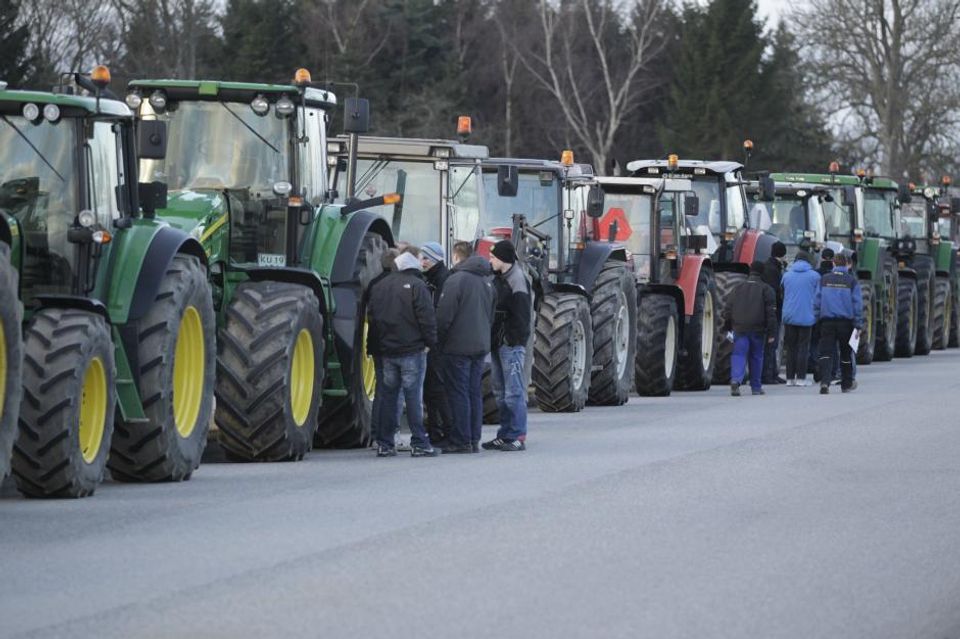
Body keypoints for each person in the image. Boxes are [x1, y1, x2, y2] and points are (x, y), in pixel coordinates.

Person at [367, 251, 439, 457]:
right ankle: (419, 442)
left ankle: (385, 443)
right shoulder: (417, 285)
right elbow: (426, 317)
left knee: (388, 397)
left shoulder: (379, 286)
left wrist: (376, 346)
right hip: (412, 350)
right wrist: (430, 343)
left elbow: (372, 318)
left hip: (387, 351)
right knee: (413, 397)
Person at [436, 242, 495, 454]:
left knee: (458, 393)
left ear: (456, 256)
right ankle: (473, 438)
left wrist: (437, 340)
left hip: (457, 346)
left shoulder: (456, 280)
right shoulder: (487, 281)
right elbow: (491, 314)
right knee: (473, 392)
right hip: (480, 345)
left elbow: (444, 316)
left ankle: (461, 439)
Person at [482, 239, 532, 451]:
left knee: (514, 392)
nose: (490, 260)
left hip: (510, 345)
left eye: (493, 257)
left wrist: (513, 341)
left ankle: (517, 435)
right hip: (497, 343)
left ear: (503, 259)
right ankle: (504, 434)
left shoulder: (517, 280)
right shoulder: (497, 278)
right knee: (500, 391)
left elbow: (522, 317)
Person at [723, 260, 777, 396]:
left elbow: (728, 309)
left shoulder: (737, 288)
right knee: (756, 357)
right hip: (758, 329)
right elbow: (771, 313)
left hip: (739, 328)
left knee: (739, 354)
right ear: (762, 272)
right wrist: (772, 333)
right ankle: (756, 387)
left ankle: (736, 380)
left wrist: (728, 327)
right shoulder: (766, 289)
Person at [365, 248, 401, 448]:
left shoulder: (373, 284)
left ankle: (375, 433)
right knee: (394, 391)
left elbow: (369, 313)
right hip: (395, 343)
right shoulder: (400, 284)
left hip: (377, 342)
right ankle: (390, 432)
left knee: (381, 389)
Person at [814, 252, 863, 394]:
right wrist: (858, 324)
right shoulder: (851, 281)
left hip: (827, 322)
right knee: (846, 354)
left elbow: (817, 301)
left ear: (833, 264)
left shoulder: (824, 279)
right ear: (847, 264)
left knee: (826, 353)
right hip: (845, 323)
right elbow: (857, 304)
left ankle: (825, 382)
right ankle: (846, 384)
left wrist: (816, 318)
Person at [419, 241, 453, 444]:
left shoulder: (442, 280)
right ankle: (436, 430)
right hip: (435, 342)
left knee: (437, 389)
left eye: (425, 258)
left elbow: (441, 314)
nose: (421, 262)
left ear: (435, 259)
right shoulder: (432, 278)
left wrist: (432, 339)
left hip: (438, 344)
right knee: (432, 389)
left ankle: (444, 431)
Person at [781, 251, 821, 386]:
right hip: (807, 316)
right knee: (803, 348)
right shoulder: (815, 276)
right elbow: (818, 296)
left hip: (789, 316)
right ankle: (801, 378)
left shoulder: (786, 275)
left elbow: (782, 293)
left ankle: (789, 379)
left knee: (791, 348)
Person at [761, 241, 787, 384]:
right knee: (771, 343)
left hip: (766, 310)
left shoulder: (768, 266)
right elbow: (776, 292)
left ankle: (772, 373)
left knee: (770, 343)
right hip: (773, 311)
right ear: (783, 254)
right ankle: (768, 374)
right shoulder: (774, 270)